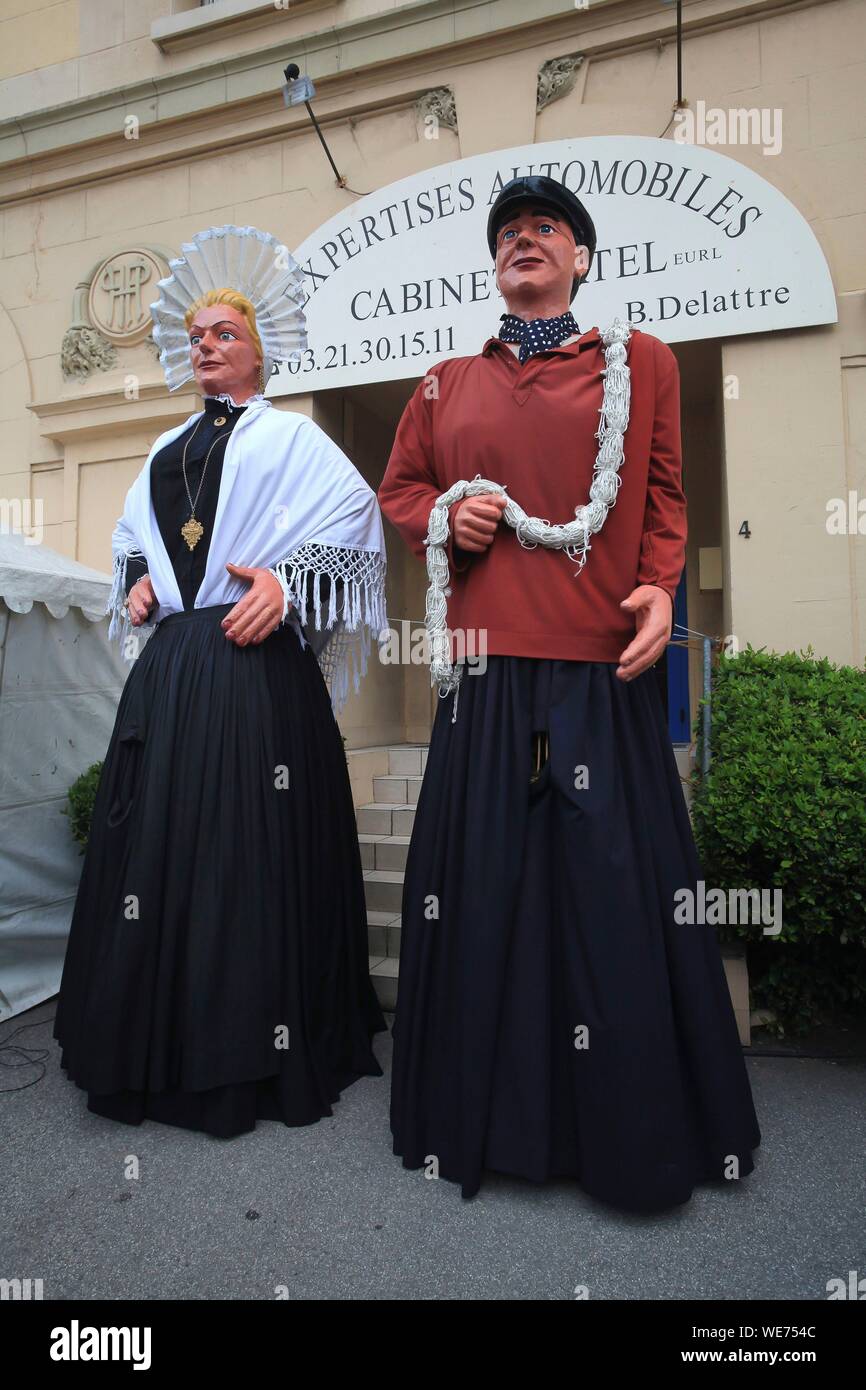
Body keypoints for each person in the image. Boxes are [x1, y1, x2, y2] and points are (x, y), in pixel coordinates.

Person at [378, 176, 761, 1213]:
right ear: (494, 263)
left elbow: (666, 496)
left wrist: (659, 588)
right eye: (508, 231)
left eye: (545, 226)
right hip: (485, 672)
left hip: (600, 669)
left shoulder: (642, 362)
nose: (524, 239)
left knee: (609, 898)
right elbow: (400, 489)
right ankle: (487, 1123)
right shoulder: (443, 382)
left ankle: (629, 1134)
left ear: (581, 258)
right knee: (485, 893)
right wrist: (443, 517)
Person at [54, 224, 388, 1137]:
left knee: (249, 847)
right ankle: (154, 1045)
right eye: (196, 335)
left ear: (258, 351)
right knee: (160, 846)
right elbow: (132, 535)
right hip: (174, 670)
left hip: (255, 669)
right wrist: (138, 579)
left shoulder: (293, 439)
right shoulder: (164, 448)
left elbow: (357, 516)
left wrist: (286, 582)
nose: (205, 344)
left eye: (223, 334)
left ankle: (254, 1049)